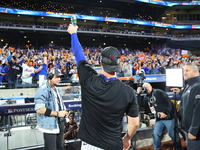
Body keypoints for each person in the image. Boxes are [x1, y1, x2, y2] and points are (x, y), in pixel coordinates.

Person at [67, 24, 139, 150]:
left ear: (101, 63)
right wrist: (126, 139)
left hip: (89, 145)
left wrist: (73, 33)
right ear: (118, 65)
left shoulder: (88, 79)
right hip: (113, 145)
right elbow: (135, 124)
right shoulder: (128, 92)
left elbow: (78, 54)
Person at [137, 82, 182, 150]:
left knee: (173, 135)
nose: (146, 89)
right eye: (145, 88)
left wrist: (165, 113)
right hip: (159, 119)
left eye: (147, 87)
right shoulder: (147, 96)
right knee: (156, 134)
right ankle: (156, 148)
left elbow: (168, 103)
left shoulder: (159, 92)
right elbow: (141, 103)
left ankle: (178, 148)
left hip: (169, 118)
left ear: (150, 87)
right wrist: (138, 94)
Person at [34, 67, 69, 150]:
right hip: (49, 126)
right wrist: (58, 113)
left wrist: (64, 111)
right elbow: (39, 109)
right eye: (57, 77)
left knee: (60, 147)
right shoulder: (42, 90)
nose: (59, 79)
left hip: (59, 123)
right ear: (50, 77)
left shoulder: (56, 89)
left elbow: (59, 104)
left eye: (60, 77)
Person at [171, 62, 200, 150]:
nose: (184, 73)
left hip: (195, 131)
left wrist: (194, 131)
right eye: (184, 71)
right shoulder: (189, 85)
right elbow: (189, 96)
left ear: (195, 72)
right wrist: (180, 91)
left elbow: (198, 110)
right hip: (187, 127)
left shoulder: (197, 86)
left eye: (187, 70)